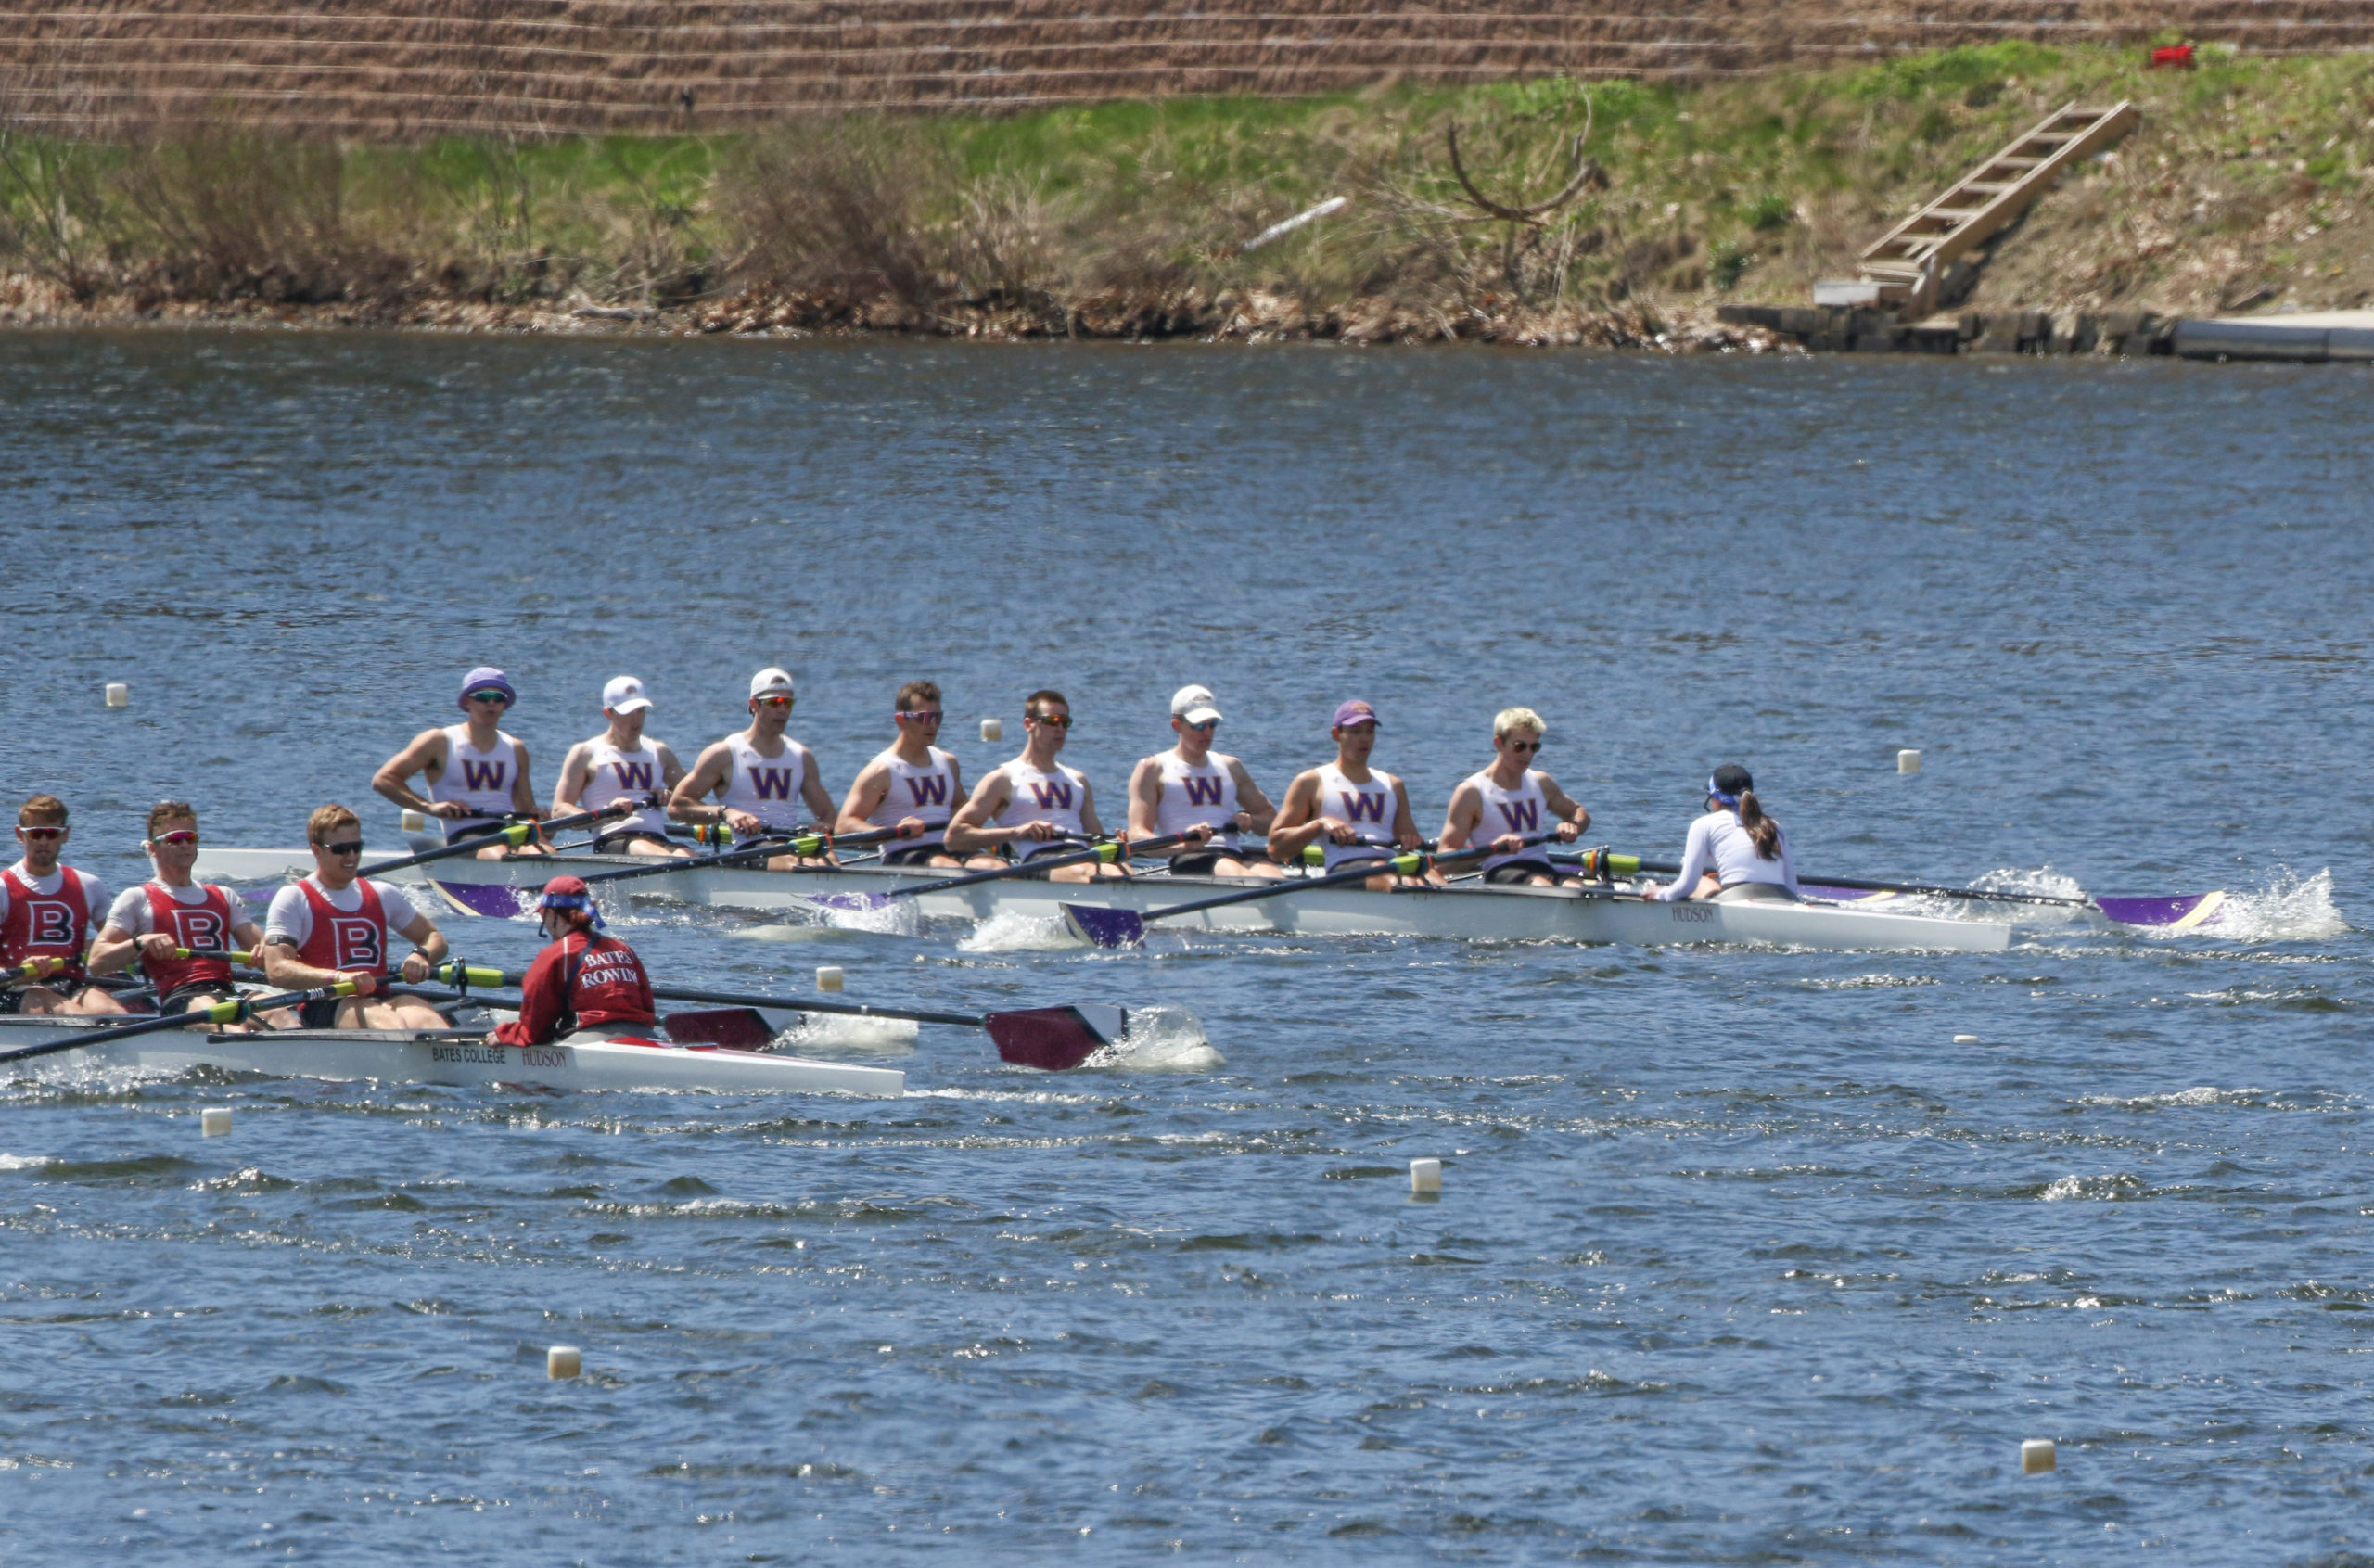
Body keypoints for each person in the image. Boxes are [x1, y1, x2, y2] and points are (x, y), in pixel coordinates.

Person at [89, 801, 287, 1030]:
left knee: (278, 1012)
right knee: (230, 1025)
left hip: (225, 990)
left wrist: (264, 951)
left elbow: (270, 955)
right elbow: (96, 963)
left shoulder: (224, 896)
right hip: (180, 997)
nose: (184, 845)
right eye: (174, 839)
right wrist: (140, 942)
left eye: (190, 838)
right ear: (153, 849)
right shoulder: (137, 898)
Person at [259, 804, 452, 1029]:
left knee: (431, 1022)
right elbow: (276, 969)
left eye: (356, 847)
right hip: (325, 1004)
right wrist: (339, 978)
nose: (351, 856)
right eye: (341, 849)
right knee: (392, 1024)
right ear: (317, 850)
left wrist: (421, 956)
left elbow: (434, 937)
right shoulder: (294, 898)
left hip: (380, 997)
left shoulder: (383, 894)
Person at [945, 690, 1126, 882]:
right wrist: (1018, 832)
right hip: (1041, 859)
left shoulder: (1078, 780)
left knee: (1123, 870)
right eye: (1052, 721)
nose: (1060, 728)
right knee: (1089, 873)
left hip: (1082, 855)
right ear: (1028, 724)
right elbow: (953, 838)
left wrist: (1118, 845)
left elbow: (1096, 840)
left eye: (1065, 722)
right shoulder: (1002, 779)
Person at [667, 668, 838, 870]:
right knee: (803, 863)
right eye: (775, 703)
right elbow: (676, 807)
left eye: (788, 703)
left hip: (790, 842)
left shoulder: (801, 757)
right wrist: (725, 813)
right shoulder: (724, 754)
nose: (783, 710)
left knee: (830, 859)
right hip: (750, 847)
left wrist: (823, 827)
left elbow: (829, 815)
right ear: (754, 704)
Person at [370, 666, 548, 859]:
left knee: (548, 854)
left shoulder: (516, 748)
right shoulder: (439, 741)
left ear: (505, 704)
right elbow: (383, 780)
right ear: (467, 701)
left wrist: (544, 822)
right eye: (483, 696)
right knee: (500, 854)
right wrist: (428, 807)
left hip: (509, 830)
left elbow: (526, 813)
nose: (491, 703)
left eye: (498, 698)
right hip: (465, 835)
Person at [1270, 700, 1436, 890]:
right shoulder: (1311, 782)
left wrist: (1411, 846)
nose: (1364, 739)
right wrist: (1319, 825)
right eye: (1355, 731)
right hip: (1344, 868)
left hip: (1388, 865)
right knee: (1394, 879)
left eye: (1369, 731)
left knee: (1435, 878)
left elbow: (1411, 845)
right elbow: (1275, 849)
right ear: (1336, 734)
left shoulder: (1393, 785)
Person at [1125, 683, 1282, 878]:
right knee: (1247, 877)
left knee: (1275, 876)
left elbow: (1273, 823)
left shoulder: (1231, 766)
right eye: (1198, 726)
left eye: (1212, 724)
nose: (1207, 732)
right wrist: (1183, 844)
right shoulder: (1152, 769)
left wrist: (1250, 820)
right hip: (1188, 857)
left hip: (1232, 855)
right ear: (1177, 725)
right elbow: (1137, 837)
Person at [490, 876, 658, 1046]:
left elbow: (535, 1030)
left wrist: (506, 1035)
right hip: (645, 1037)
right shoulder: (622, 949)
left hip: (589, 1041)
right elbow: (648, 1007)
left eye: (542, 914)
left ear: (549, 913)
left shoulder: (555, 954)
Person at [0, 794, 126, 1016]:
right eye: (35, 833)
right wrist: (19, 973)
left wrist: (138, 946)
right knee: (70, 1012)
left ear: (65, 835)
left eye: (51, 834)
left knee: (112, 1011)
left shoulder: (89, 885)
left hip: (70, 982)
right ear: (20, 835)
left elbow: (114, 947)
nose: (43, 841)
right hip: (12, 987)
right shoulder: (3, 887)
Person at [1437, 708, 1592, 886]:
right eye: (1520, 746)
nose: (1528, 754)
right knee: (1541, 886)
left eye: (1534, 747)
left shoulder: (1541, 783)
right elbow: (1443, 861)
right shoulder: (1471, 792)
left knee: (1578, 889)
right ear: (1498, 743)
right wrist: (1494, 848)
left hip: (1542, 868)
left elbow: (1580, 814)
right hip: (1501, 871)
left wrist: (1573, 826)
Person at [836, 680, 972, 870]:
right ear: (901, 720)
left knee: (993, 865)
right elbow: (843, 826)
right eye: (924, 718)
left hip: (947, 848)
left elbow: (960, 805)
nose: (933, 725)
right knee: (950, 868)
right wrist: (895, 832)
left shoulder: (948, 763)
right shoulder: (880, 772)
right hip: (902, 854)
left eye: (937, 718)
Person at [554, 675, 689, 858]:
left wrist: (671, 796)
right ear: (607, 713)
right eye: (628, 713)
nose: (636, 720)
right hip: (612, 840)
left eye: (640, 711)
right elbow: (559, 809)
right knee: (663, 857)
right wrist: (606, 815)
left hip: (658, 839)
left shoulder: (660, 752)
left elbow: (690, 798)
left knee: (688, 856)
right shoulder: (585, 754)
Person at [1639, 763, 1800, 903]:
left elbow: (1687, 885)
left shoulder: (1703, 824)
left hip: (1736, 900)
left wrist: (1661, 894)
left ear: (1715, 798)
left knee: (1702, 882)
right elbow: (1792, 888)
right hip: (1784, 899)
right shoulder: (1774, 826)